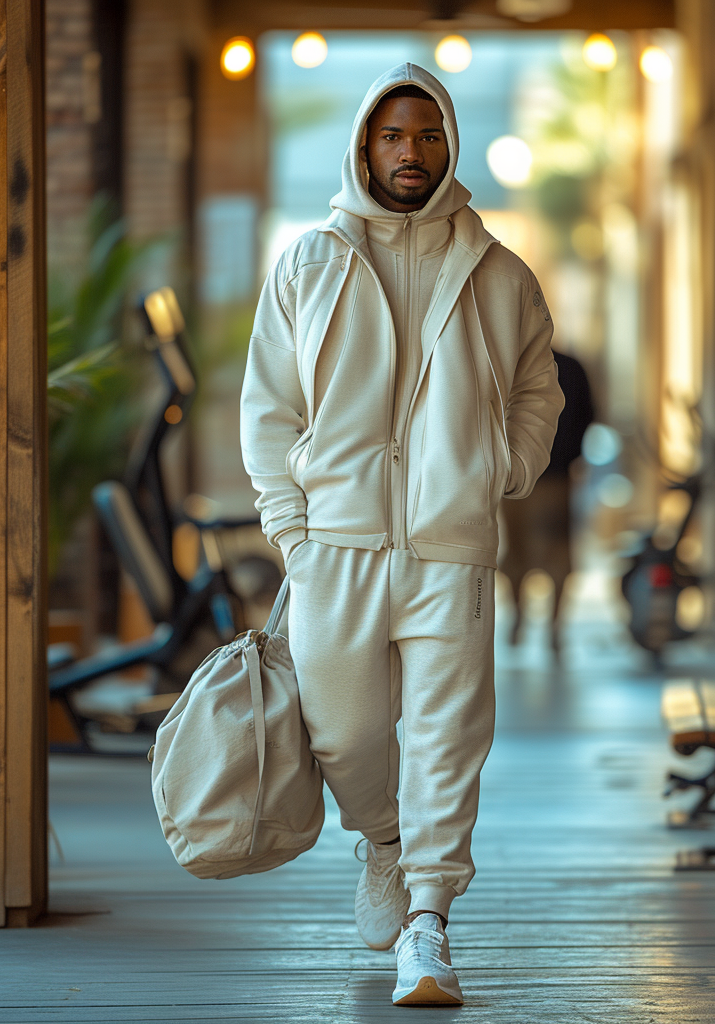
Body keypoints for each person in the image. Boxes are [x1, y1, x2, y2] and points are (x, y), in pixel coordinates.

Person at [240, 63, 563, 1006]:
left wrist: (503, 468)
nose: (410, 152)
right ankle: (383, 842)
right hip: (333, 547)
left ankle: (428, 923)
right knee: (341, 734)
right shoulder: (307, 264)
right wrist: (292, 531)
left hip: (450, 549)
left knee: (447, 737)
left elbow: (539, 390)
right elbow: (268, 407)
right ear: (365, 146)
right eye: (393, 136)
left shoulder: (500, 271)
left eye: (427, 136)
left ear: (448, 144)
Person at [500, 350, 594, 658]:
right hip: (554, 476)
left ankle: (522, 620)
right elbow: (588, 416)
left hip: (519, 476)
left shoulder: (511, 363)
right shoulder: (569, 366)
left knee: (521, 553)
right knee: (554, 554)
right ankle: (553, 628)